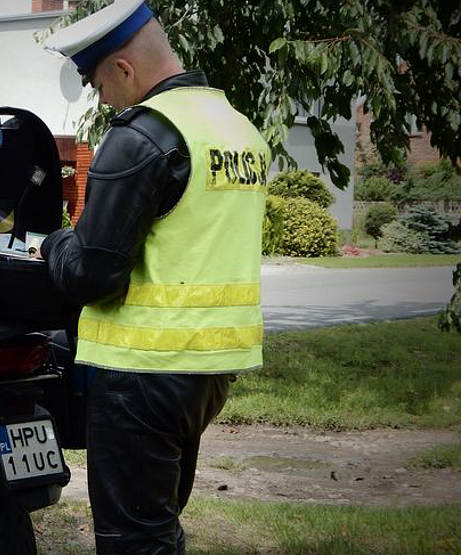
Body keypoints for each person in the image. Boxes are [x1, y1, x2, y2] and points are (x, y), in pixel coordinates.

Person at [41, 1, 271, 553]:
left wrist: (51, 244)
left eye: (99, 84)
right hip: (209, 372)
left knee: (134, 541)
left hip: (142, 372)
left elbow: (91, 274)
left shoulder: (143, 135)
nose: (102, 99)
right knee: (158, 527)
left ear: (123, 68)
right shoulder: (237, 129)